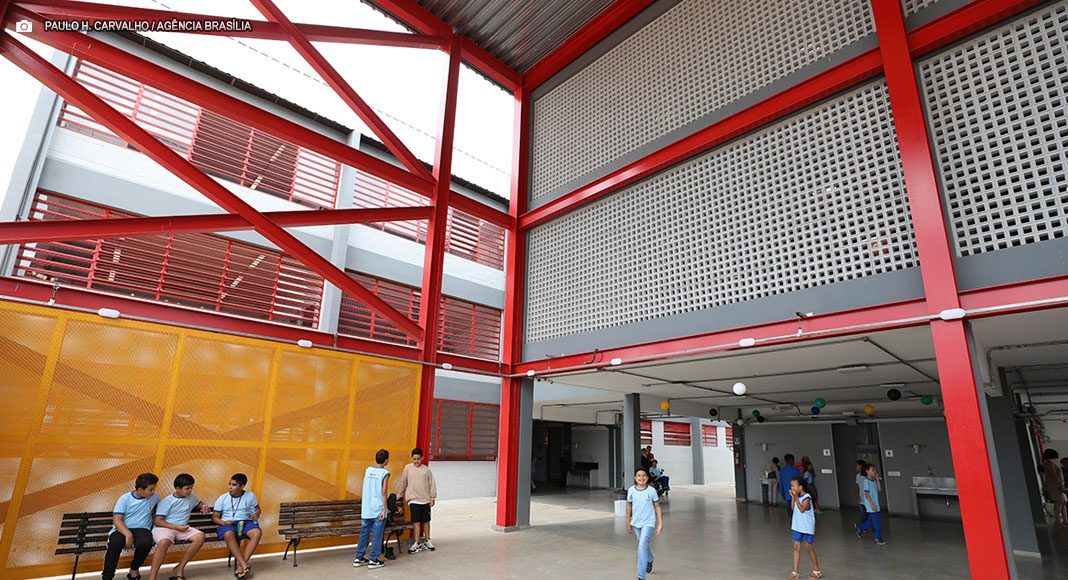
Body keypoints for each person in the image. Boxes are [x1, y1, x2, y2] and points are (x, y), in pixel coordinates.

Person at [148, 473, 211, 580]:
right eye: (187, 488)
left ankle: (180, 567)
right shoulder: (167, 501)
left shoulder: (191, 496)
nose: (190, 490)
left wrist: (204, 506)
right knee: (163, 542)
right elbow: (158, 521)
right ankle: (152, 578)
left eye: (191, 487)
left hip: (182, 528)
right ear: (177, 489)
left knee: (200, 537)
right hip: (165, 528)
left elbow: (198, 503)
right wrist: (176, 528)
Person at [102, 472, 160, 580]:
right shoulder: (125, 499)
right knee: (115, 543)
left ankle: (134, 568)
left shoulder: (155, 497)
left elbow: (157, 512)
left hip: (142, 529)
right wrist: (128, 535)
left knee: (146, 542)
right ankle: (107, 577)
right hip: (123, 528)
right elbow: (117, 520)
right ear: (140, 489)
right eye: (150, 489)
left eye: (154, 489)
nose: (153, 492)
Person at [212, 473, 261, 579]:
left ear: (242, 486)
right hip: (228, 523)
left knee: (257, 533)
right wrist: (224, 523)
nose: (230, 487)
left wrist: (256, 514)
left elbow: (257, 509)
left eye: (234, 485)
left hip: (245, 522)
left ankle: (241, 566)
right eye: (229, 484)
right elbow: (215, 517)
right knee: (229, 534)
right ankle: (244, 565)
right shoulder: (222, 498)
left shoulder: (250, 495)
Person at [354, 449, 391, 569]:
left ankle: (359, 558)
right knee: (377, 536)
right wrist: (384, 510)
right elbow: (384, 492)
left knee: (364, 534)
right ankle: (373, 560)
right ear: (386, 460)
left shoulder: (368, 470)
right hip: (378, 509)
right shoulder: (385, 473)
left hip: (366, 508)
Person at [395, 447, 437, 553]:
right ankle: (417, 543)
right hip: (413, 500)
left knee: (426, 521)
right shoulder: (407, 468)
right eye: (414, 459)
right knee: (416, 522)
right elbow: (403, 482)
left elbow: (432, 484)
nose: (416, 461)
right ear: (412, 458)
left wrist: (432, 497)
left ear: (422, 458)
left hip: (425, 500)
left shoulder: (426, 470)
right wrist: (400, 494)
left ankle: (427, 540)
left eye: (418, 459)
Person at [626, 467, 663, 580]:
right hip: (636, 523)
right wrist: (628, 522)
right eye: (639, 476)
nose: (641, 478)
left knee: (641, 547)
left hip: (649, 522)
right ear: (635, 478)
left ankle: (641, 577)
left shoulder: (651, 491)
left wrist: (660, 523)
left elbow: (657, 506)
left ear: (647, 478)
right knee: (642, 544)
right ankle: (650, 558)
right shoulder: (631, 490)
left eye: (643, 476)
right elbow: (628, 505)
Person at [787, 477, 822, 579]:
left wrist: (796, 498)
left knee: (808, 547)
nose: (792, 488)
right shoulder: (796, 497)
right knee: (796, 547)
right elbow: (793, 508)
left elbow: (802, 509)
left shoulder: (807, 497)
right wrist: (793, 498)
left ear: (800, 487)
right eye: (791, 486)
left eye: (793, 486)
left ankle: (817, 570)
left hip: (806, 526)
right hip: (797, 525)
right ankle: (795, 572)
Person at [856, 464, 886, 545]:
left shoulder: (873, 481)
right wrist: (872, 504)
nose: (874, 471)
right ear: (867, 471)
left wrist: (877, 479)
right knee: (877, 522)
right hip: (870, 505)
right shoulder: (866, 481)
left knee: (871, 521)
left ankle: (860, 527)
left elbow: (879, 489)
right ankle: (877, 537)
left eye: (875, 470)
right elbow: (867, 494)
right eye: (873, 470)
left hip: (876, 503)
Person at [1042, 448, 1067, 527]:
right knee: (1059, 502)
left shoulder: (1050, 463)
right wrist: (1060, 485)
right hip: (1054, 486)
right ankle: (1057, 521)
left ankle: (1065, 520)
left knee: (1063, 502)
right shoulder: (1049, 463)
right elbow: (1054, 476)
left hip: (1057, 485)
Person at [854, 460, 870, 535]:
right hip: (861, 498)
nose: (856, 467)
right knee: (864, 515)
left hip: (868, 499)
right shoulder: (858, 476)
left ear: (861, 466)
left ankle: (862, 527)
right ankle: (863, 528)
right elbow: (857, 487)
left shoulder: (867, 475)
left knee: (869, 515)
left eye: (857, 465)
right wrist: (858, 496)